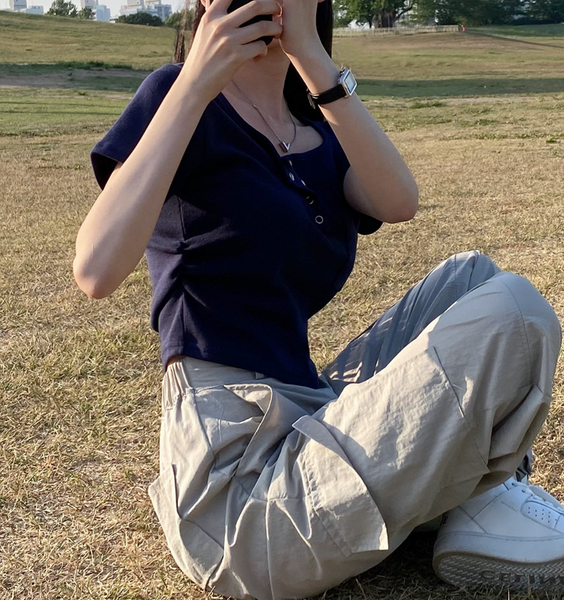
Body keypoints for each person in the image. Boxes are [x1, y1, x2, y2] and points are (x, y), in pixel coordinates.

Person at [73, 0, 564, 597]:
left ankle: (473, 498)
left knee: (473, 278)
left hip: (306, 411)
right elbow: (95, 271)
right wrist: (198, 81)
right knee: (514, 309)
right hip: (240, 490)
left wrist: (311, 56)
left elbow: (397, 200)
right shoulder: (177, 98)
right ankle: (473, 498)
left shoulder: (311, 128)